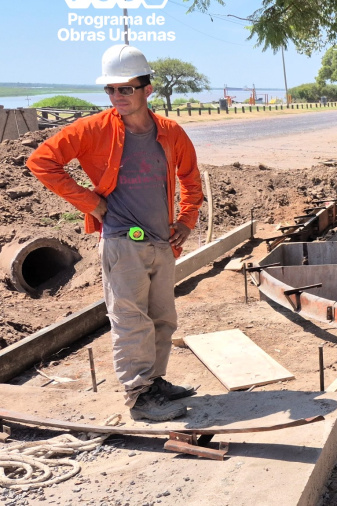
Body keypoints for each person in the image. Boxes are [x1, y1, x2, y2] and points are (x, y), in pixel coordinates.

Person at [27, 45, 203, 421]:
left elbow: (190, 179)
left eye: (126, 88)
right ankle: (139, 397)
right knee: (130, 318)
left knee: (162, 318)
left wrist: (186, 221)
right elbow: (41, 161)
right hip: (123, 242)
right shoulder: (93, 129)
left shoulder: (170, 132)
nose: (117, 97)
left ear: (147, 90)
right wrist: (89, 202)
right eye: (110, 90)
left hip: (162, 241)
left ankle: (154, 382)